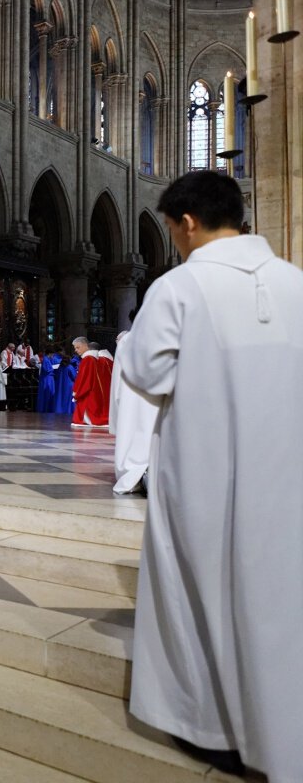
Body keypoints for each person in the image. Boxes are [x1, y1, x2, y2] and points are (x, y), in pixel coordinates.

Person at [123, 171, 303, 780]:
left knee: (201, 595)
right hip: (287, 476)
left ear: (188, 223)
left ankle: (212, 728)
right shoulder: (296, 283)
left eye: (172, 230)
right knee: (281, 598)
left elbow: (146, 372)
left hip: (206, 473)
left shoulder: (180, 287)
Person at [109, 331, 157, 495]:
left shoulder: (127, 342)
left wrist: (115, 417)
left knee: (136, 439)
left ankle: (141, 474)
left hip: (133, 400)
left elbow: (117, 386)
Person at [70, 336, 111, 428]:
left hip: (89, 392)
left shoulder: (88, 359)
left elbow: (84, 378)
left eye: (78, 347)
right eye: (75, 348)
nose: (76, 350)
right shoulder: (98, 358)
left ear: (85, 345)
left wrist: (77, 392)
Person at [35, 347, 62, 413]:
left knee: (50, 393)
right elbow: (46, 369)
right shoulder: (46, 359)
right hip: (47, 379)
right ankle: (45, 408)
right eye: (52, 355)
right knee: (47, 393)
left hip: (49, 379)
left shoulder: (47, 359)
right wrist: (53, 368)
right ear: (49, 354)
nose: (52, 356)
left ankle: (48, 408)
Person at [54, 346, 78, 415]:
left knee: (60, 399)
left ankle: (60, 410)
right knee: (68, 400)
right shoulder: (69, 367)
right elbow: (74, 376)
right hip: (69, 386)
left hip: (60, 385)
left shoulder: (60, 367)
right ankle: (68, 411)